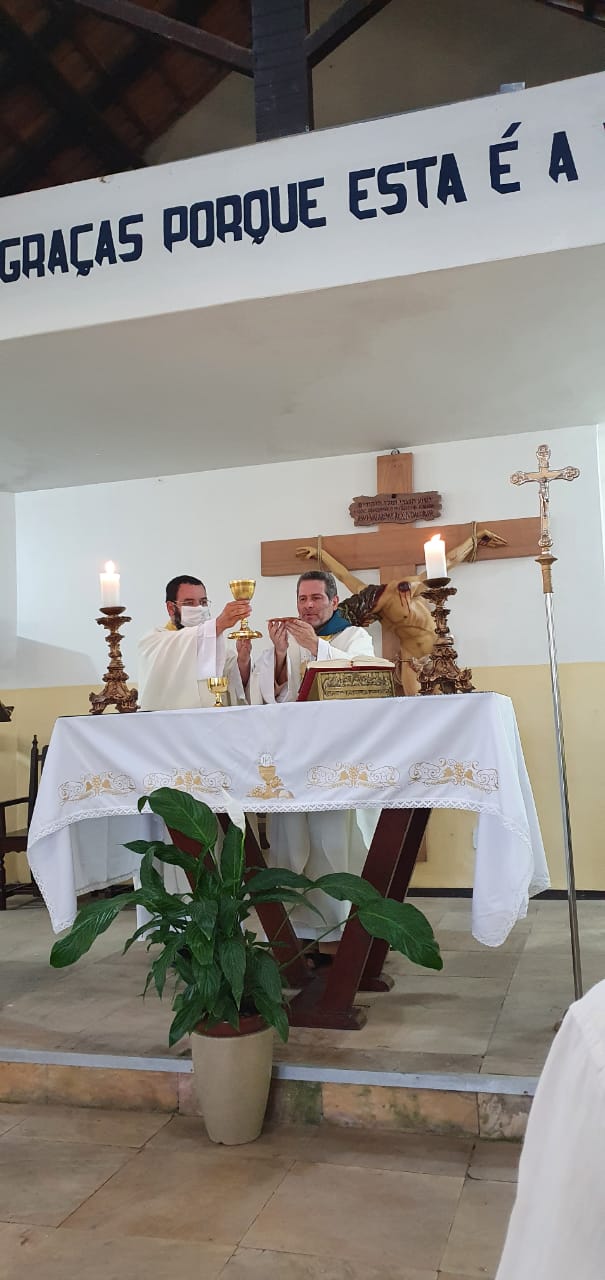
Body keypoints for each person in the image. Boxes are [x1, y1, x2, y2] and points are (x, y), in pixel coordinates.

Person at [249, 570, 379, 955]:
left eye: (316, 598)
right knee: (289, 842)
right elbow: (274, 695)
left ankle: (340, 936)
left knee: (331, 843)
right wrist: (279, 654)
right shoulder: (291, 641)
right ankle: (296, 935)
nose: (308, 606)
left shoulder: (354, 637)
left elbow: (363, 680)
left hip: (335, 760)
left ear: (334, 602)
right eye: (302, 599)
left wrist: (317, 648)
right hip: (292, 760)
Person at [138, 574, 252, 711]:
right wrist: (218, 624)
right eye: (189, 603)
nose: (199, 608)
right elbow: (182, 643)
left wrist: (243, 661)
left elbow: (237, 689)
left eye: (203, 602)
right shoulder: (153, 641)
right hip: (172, 722)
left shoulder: (217, 646)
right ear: (171, 608)